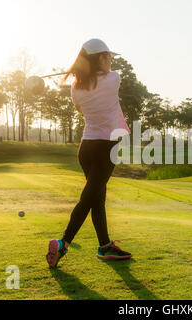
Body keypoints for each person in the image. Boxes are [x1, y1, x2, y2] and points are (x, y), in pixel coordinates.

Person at [46, 39, 132, 269]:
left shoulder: (76, 87)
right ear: (100, 58)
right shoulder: (114, 79)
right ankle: (63, 242)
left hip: (86, 148)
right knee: (89, 199)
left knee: (97, 198)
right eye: (109, 57)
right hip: (106, 148)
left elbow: (80, 108)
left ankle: (105, 246)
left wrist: (83, 71)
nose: (111, 61)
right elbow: (108, 76)